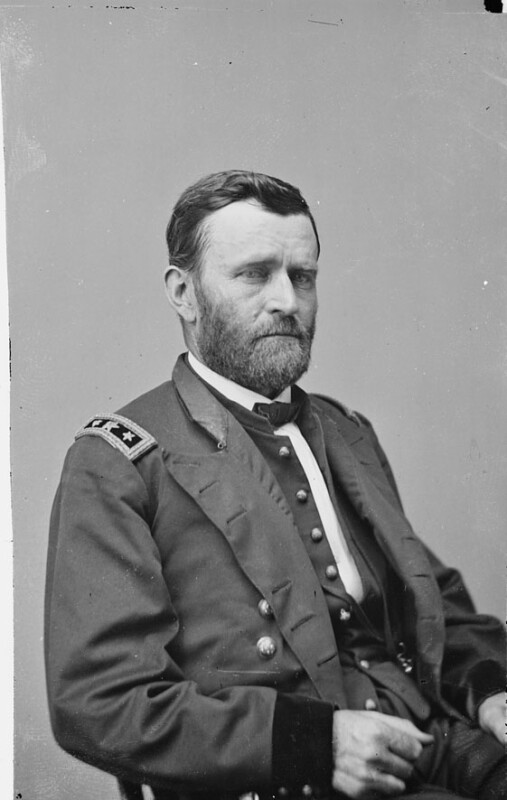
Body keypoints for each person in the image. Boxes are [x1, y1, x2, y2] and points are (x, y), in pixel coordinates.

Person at [45, 170, 505, 800]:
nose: (288, 300)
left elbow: (431, 600)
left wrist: (491, 688)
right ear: (184, 292)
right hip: (293, 782)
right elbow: (98, 702)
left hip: (435, 739)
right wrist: (315, 746)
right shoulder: (117, 463)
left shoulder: (347, 434)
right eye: (255, 274)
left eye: (304, 276)